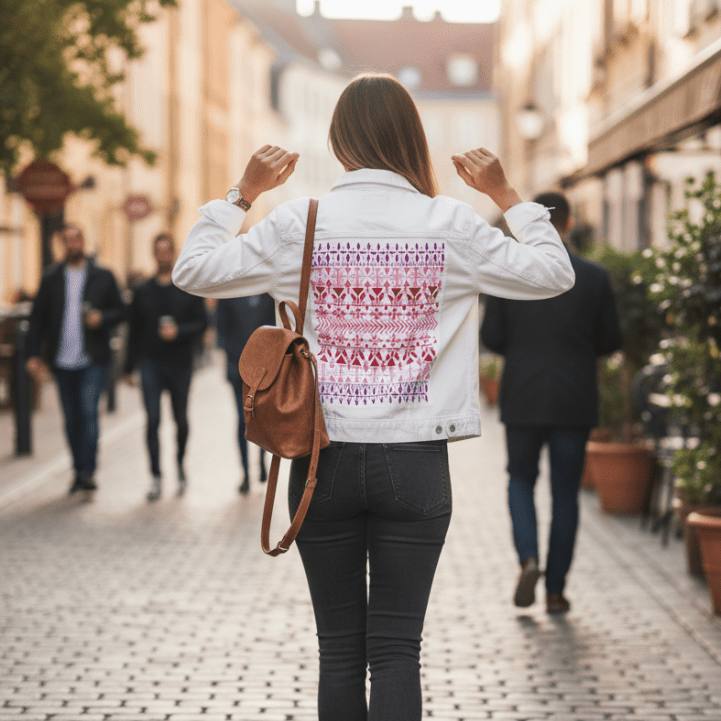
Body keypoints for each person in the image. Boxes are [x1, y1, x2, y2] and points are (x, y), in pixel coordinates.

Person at [172, 73, 575, 721]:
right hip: (414, 461)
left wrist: (240, 194)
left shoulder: (299, 222)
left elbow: (192, 271)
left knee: (338, 648)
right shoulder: (450, 222)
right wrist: (505, 195)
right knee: (395, 648)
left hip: (319, 456)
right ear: (410, 138)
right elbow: (554, 273)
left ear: (337, 140)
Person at [481, 191, 623, 614]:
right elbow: (611, 340)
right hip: (574, 398)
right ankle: (557, 589)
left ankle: (528, 558)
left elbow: (490, 338)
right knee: (565, 494)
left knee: (520, 480)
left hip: (523, 395)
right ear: (570, 221)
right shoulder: (594, 277)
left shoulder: (511, 275)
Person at [26, 224, 125, 494]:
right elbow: (37, 319)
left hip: (93, 359)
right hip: (62, 361)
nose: (71, 245)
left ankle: (89, 471)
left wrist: (101, 318)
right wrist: (33, 355)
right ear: (62, 245)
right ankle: (78, 470)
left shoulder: (103, 276)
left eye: (75, 239)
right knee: (71, 419)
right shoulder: (51, 277)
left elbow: (120, 311)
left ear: (83, 242)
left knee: (88, 413)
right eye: (66, 240)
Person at [124, 233, 208, 501]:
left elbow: (203, 323)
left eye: (167, 251)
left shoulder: (187, 287)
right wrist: (128, 368)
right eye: (158, 251)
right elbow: (133, 331)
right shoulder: (142, 291)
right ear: (153, 254)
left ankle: (180, 468)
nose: (163, 256)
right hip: (150, 364)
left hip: (180, 364)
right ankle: (156, 476)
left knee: (181, 421)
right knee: (152, 421)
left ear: (173, 254)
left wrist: (179, 331)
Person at [215, 294, 275, 494]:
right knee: (243, 419)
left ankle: (261, 459)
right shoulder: (230, 292)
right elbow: (221, 328)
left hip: (264, 367)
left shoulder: (268, 293)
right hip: (237, 365)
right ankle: (246, 473)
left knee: (263, 418)